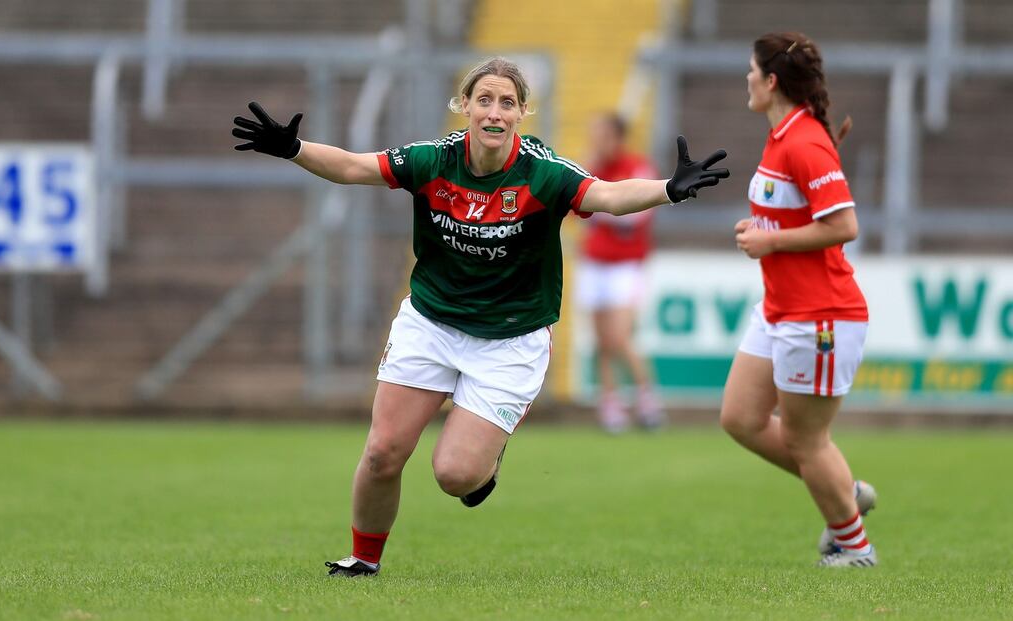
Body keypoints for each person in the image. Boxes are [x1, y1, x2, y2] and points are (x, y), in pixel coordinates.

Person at [232, 56, 729, 577]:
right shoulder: (433, 160)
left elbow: (604, 195)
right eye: (484, 100)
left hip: (511, 339)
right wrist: (293, 149)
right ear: (465, 106)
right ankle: (363, 560)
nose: (495, 112)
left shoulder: (543, 171)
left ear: (522, 113)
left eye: (507, 103)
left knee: (455, 475)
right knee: (382, 453)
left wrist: (668, 189)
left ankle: (484, 462)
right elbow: (356, 167)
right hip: (431, 322)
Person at [721, 33, 877, 568]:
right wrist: (763, 227)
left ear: (771, 81)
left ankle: (854, 548)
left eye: (751, 70)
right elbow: (794, 214)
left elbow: (845, 225)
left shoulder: (804, 141)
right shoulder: (780, 135)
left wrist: (771, 240)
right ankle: (841, 489)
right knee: (740, 417)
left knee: (808, 441)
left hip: (820, 315)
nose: (745, 78)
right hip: (779, 308)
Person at [577, 113, 664, 432]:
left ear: (617, 137)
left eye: (602, 135)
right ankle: (610, 405)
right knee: (600, 340)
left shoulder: (637, 168)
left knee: (620, 337)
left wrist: (601, 207)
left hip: (625, 265)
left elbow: (635, 216)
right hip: (594, 262)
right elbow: (576, 208)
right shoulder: (591, 170)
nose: (597, 142)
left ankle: (647, 398)